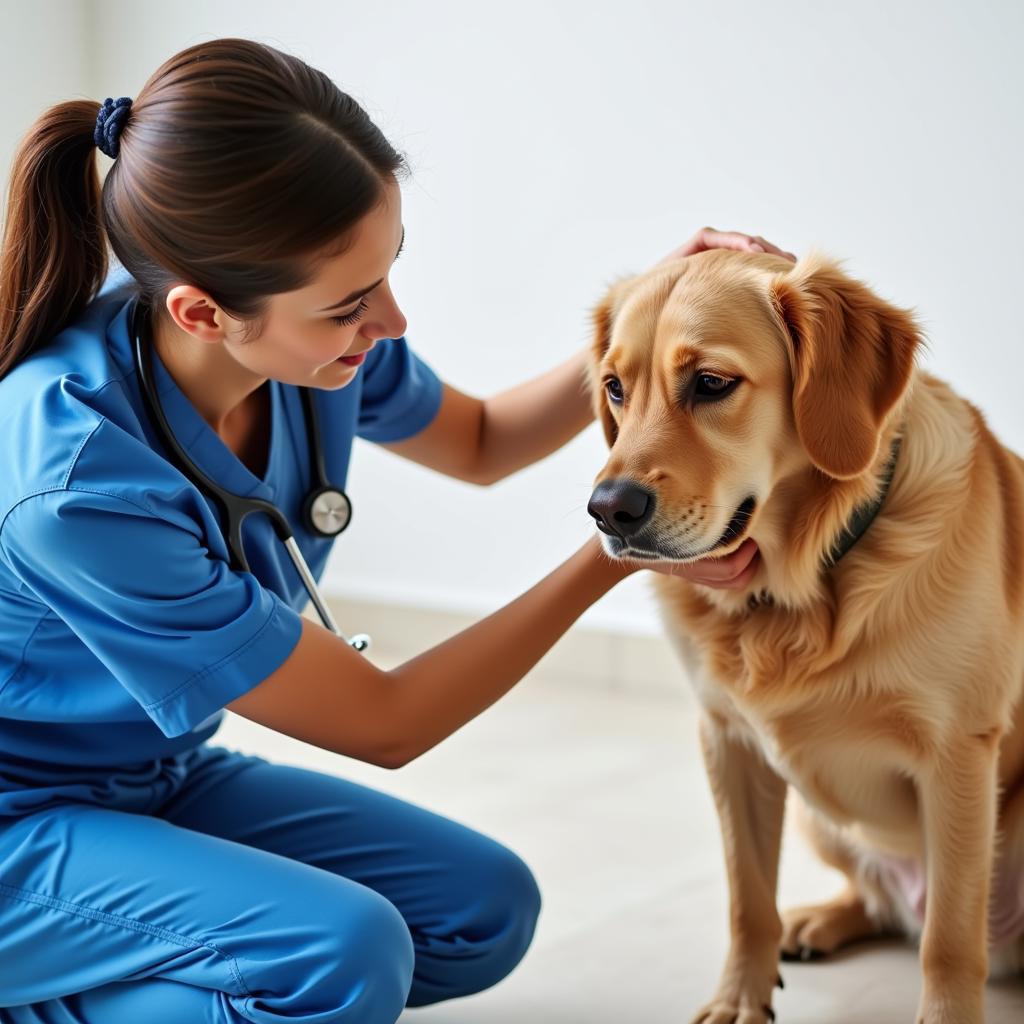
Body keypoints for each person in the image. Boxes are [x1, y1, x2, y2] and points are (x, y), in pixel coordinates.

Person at [0, 37, 790, 1024]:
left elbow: (486, 441)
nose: (392, 320)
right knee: (343, 954)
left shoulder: (311, 353)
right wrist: (619, 553)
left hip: (151, 778)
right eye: (350, 304)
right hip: (16, 824)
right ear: (204, 312)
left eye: (386, 272)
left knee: (478, 909)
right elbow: (385, 724)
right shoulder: (76, 481)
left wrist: (643, 310)